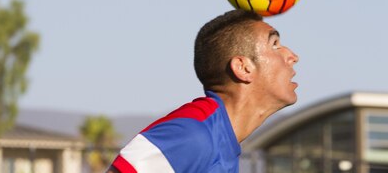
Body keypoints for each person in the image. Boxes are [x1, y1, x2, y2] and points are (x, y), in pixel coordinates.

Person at [106, 9, 299, 173]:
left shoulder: (223, 146)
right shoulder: (194, 134)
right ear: (243, 68)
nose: (292, 56)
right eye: (275, 45)